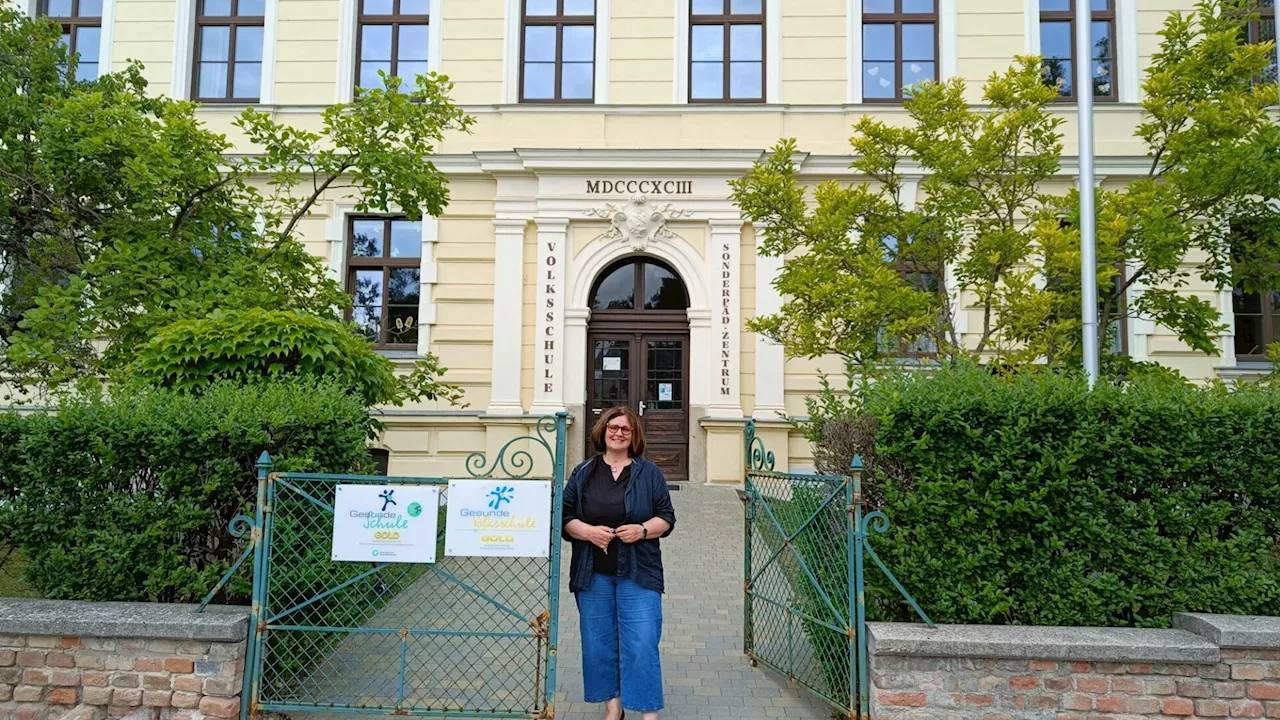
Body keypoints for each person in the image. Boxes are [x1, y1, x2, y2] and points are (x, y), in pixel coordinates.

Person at [562, 406, 676, 720]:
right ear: (603, 431)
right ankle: (613, 709)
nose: (618, 433)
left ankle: (647, 711)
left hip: (639, 573)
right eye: (613, 427)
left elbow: (666, 517)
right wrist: (587, 532)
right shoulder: (583, 471)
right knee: (599, 646)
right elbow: (565, 515)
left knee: (641, 644)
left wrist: (641, 530)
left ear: (633, 435)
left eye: (625, 429)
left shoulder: (649, 472)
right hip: (592, 573)